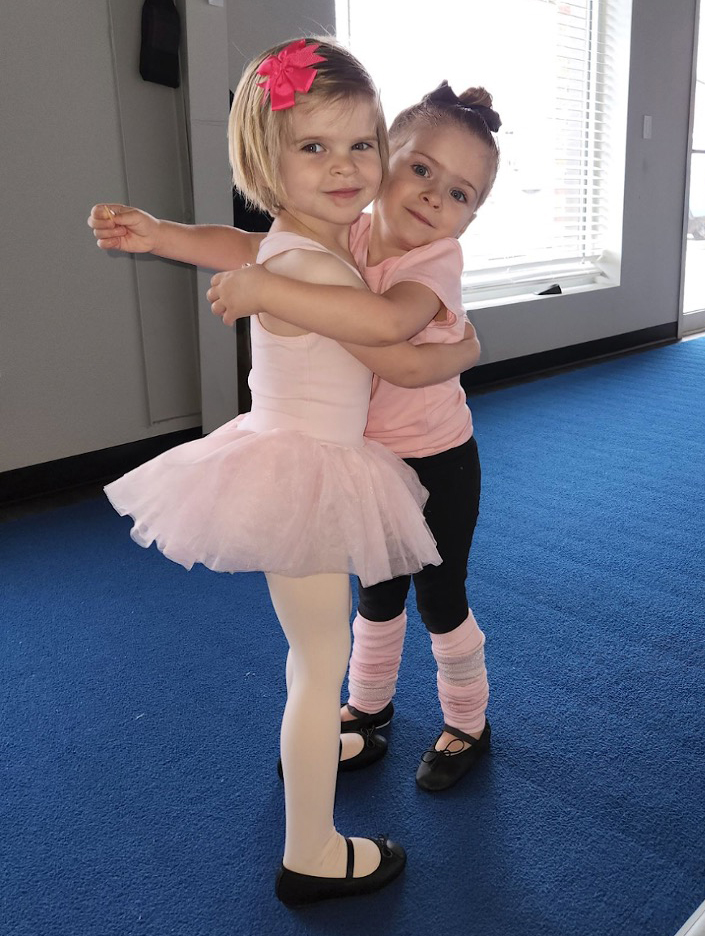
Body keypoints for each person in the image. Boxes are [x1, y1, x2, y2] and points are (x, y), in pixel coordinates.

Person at [94, 38, 480, 905]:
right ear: (268, 161)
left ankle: (314, 745)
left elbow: (237, 244)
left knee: (312, 651)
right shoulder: (304, 262)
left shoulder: (300, 241)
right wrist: (263, 291)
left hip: (293, 463)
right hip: (306, 470)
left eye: (359, 145)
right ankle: (312, 850)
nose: (344, 168)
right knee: (318, 661)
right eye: (314, 147)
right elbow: (376, 323)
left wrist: (162, 237)